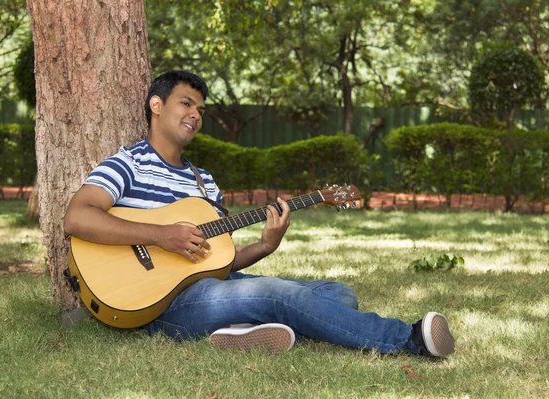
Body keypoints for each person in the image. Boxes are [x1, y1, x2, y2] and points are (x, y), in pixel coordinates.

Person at [63, 70, 455, 358]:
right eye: (186, 103)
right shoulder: (128, 164)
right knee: (277, 294)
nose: (196, 115)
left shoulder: (204, 182)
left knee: (338, 293)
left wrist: (266, 245)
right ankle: (408, 338)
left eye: (200, 109)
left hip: (213, 290)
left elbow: (220, 260)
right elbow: (78, 218)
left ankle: (242, 332)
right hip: (161, 306)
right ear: (156, 105)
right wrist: (160, 236)